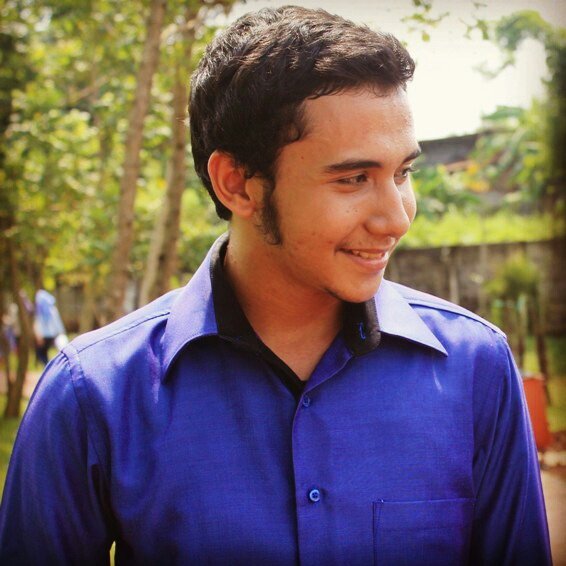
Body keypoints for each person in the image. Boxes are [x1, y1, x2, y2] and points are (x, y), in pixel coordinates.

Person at [0, 6, 551, 565]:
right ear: (237, 184)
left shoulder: (476, 367)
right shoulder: (92, 396)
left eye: (402, 173)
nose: (397, 217)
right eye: (353, 178)